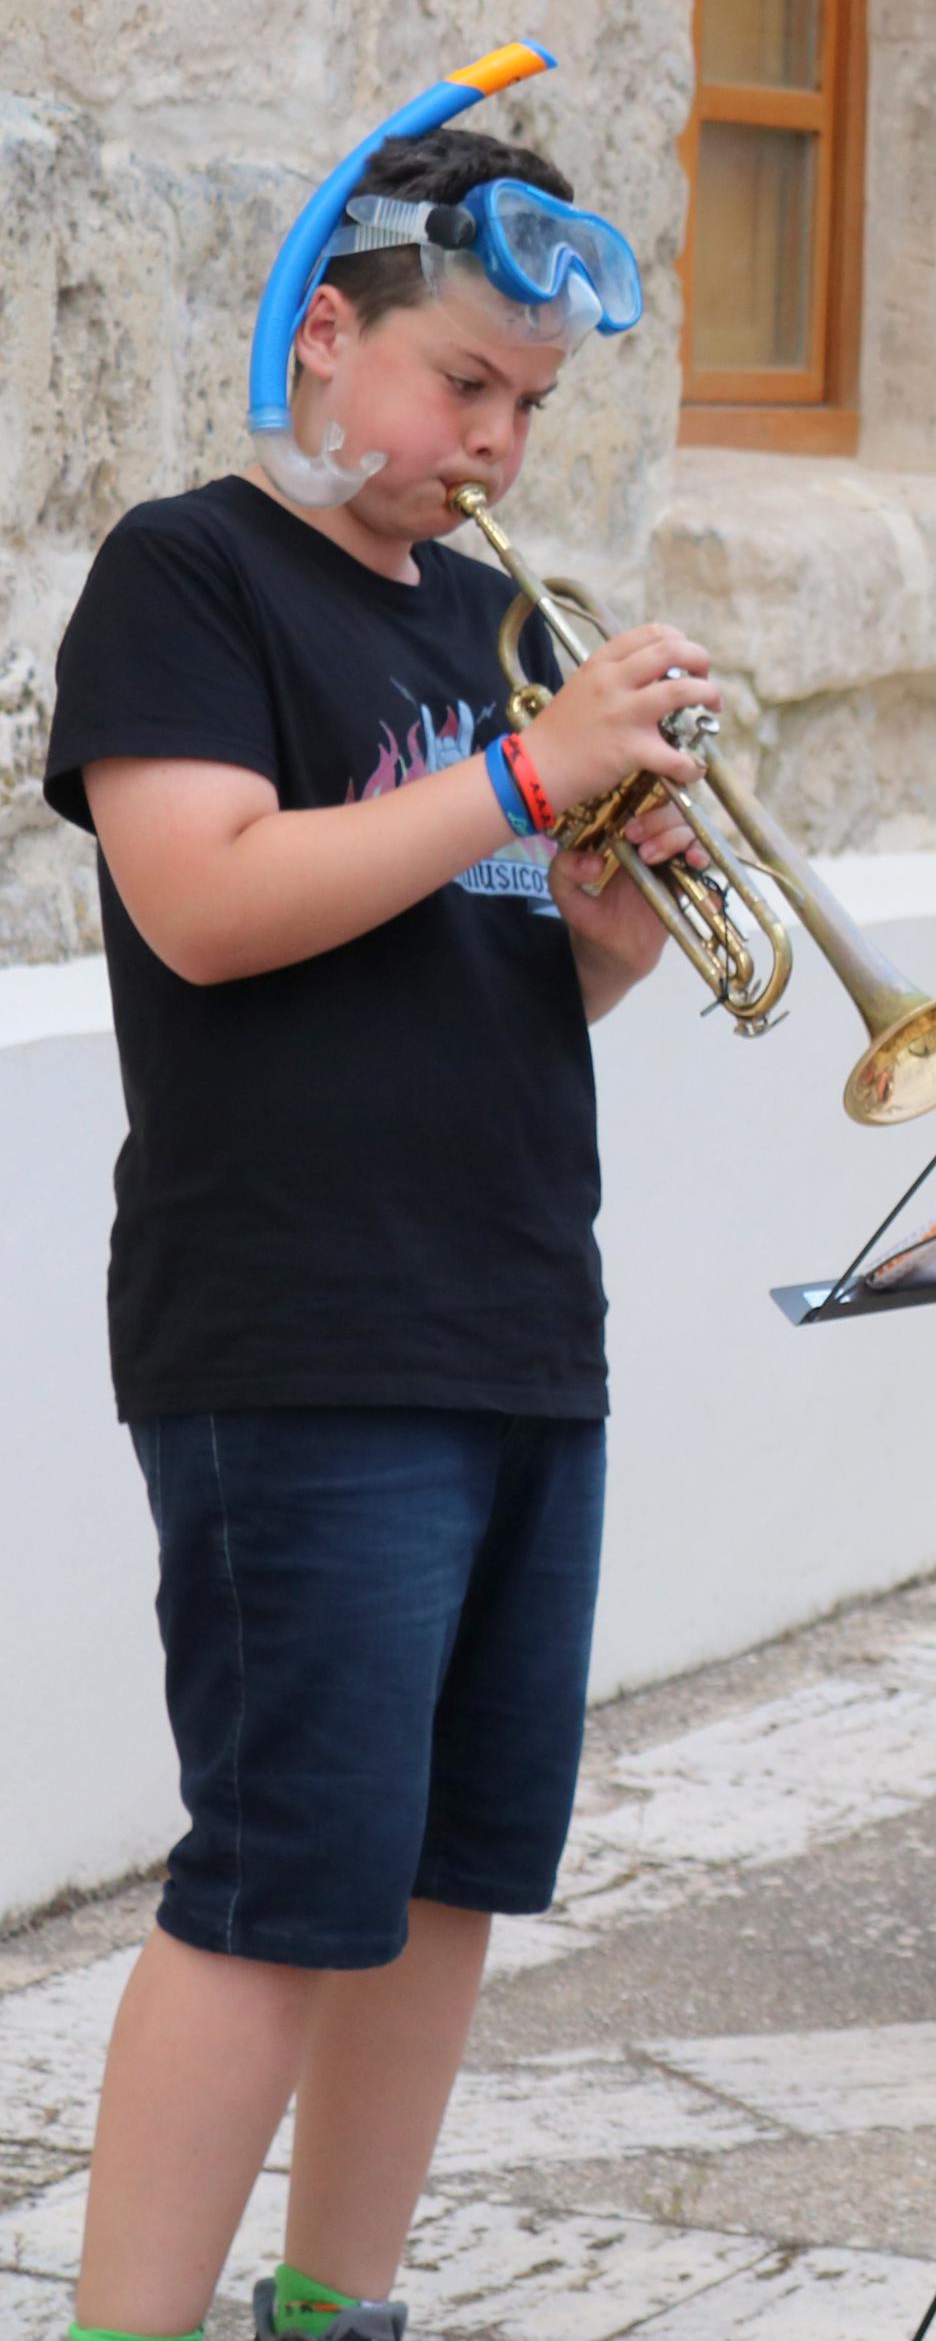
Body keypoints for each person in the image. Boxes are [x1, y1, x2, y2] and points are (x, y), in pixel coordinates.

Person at [46, 118, 713, 2341]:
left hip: (521, 1308)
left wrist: (606, 910)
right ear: (324, 335)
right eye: (459, 385)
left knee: (445, 1880)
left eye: (533, 405)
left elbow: (512, 952)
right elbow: (213, 901)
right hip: (300, 1327)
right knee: (276, 1882)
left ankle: (337, 2308)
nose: (496, 447)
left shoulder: (484, 613)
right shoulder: (186, 572)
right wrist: (523, 784)